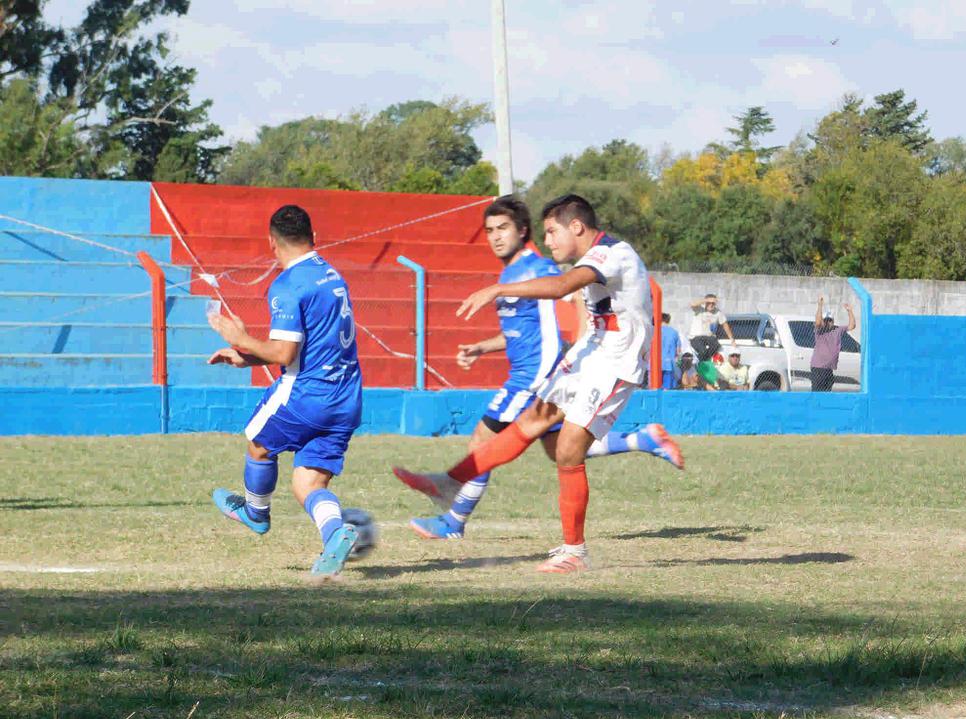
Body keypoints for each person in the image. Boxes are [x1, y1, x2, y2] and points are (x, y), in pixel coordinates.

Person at [394, 194, 661, 573]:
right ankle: (452, 482)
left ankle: (574, 552)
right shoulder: (592, 258)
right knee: (532, 421)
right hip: (591, 354)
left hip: (616, 361)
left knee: (567, 450)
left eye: (552, 232)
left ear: (577, 227)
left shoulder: (610, 254)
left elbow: (561, 287)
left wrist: (497, 290)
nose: (548, 241)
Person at [206, 205, 363, 577]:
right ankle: (335, 534)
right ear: (314, 237)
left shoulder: (289, 285)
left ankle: (256, 513)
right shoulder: (331, 275)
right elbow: (312, 346)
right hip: (347, 396)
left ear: (272, 242)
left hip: (309, 394)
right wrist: (248, 357)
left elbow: (284, 353)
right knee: (308, 481)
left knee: (258, 444)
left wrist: (240, 337)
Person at [811, 296, 856, 392]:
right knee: (817, 392)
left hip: (829, 368)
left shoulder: (837, 330)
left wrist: (849, 311)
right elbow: (818, 321)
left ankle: (824, 406)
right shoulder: (820, 331)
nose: (828, 322)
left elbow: (852, 326)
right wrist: (820, 306)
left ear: (833, 321)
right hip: (818, 368)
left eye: (830, 320)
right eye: (826, 320)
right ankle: (815, 407)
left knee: (827, 392)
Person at [688, 293, 735, 361]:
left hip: (709, 337)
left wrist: (732, 339)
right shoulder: (699, 308)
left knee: (716, 345)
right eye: (709, 303)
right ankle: (701, 363)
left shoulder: (718, 312)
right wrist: (706, 300)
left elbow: (725, 325)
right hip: (696, 337)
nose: (711, 305)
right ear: (706, 302)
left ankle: (704, 361)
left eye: (713, 303)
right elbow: (692, 304)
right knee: (703, 351)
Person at [659, 312, 681, 389]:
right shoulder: (674, 332)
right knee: (667, 388)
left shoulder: (653, 330)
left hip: (654, 364)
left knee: (654, 388)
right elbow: (678, 351)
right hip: (668, 363)